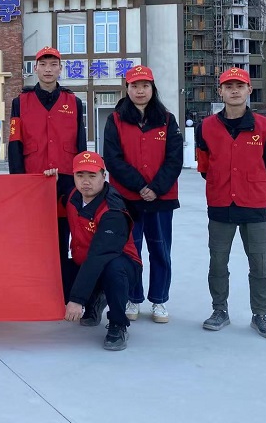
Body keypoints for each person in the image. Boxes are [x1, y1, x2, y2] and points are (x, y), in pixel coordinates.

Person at [195, 67, 266, 339]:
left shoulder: (264, 126)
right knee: (218, 262)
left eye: (239, 86)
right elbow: (204, 165)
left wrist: (253, 188)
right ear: (220, 91)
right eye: (228, 86)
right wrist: (222, 184)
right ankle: (219, 310)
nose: (234, 91)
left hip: (254, 205)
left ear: (249, 90)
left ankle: (260, 314)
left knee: (259, 264)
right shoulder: (206, 127)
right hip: (220, 204)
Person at [103, 65, 183, 324]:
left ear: (152, 88)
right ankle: (133, 298)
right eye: (135, 86)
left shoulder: (167, 120)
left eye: (145, 86)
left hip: (161, 199)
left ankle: (159, 300)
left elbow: (174, 158)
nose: (140, 91)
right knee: (130, 250)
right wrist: (140, 186)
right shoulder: (116, 120)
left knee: (160, 250)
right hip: (127, 199)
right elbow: (113, 159)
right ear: (127, 89)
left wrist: (156, 188)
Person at [9, 46, 87, 298]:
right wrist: (18, 181)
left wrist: (82, 178)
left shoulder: (73, 102)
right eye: (43, 64)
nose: (48, 69)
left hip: (66, 181)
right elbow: (15, 142)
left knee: (64, 234)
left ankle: (60, 290)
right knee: (33, 234)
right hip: (34, 179)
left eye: (53, 65)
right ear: (35, 69)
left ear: (60, 69)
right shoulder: (20, 102)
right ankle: (33, 287)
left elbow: (81, 144)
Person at [46, 151, 143, 351]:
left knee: (113, 269)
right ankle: (95, 301)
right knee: (56, 270)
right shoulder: (73, 196)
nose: (85, 182)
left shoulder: (113, 210)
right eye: (80, 175)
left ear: (103, 176)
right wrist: (49, 184)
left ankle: (118, 324)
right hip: (85, 262)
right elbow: (49, 206)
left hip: (121, 266)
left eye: (92, 175)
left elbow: (99, 256)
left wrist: (76, 299)